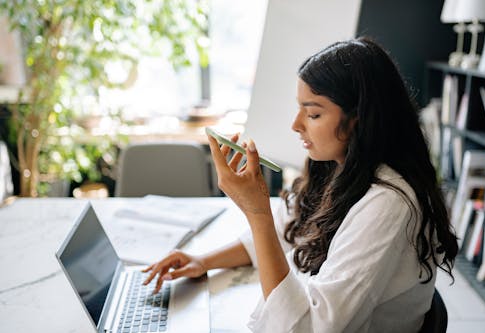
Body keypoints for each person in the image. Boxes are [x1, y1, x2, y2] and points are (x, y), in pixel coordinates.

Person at [143, 37, 458, 332]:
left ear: (359, 119)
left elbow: (308, 328)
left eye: (314, 114)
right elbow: (284, 232)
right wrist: (203, 261)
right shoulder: (337, 169)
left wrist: (256, 211)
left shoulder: (388, 203)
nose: (296, 125)